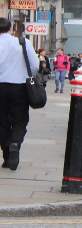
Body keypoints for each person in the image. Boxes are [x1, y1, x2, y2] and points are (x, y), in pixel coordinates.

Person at [0, 17, 39, 170]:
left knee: (2, 122)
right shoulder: (22, 42)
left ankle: (7, 157)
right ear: (10, 29)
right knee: (19, 120)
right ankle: (15, 143)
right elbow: (34, 66)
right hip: (19, 86)